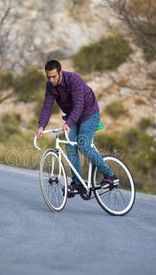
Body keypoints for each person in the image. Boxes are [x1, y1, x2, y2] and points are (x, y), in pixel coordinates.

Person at [35, 60, 118, 196]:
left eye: (54, 76)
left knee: (83, 145)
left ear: (60, 73)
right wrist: (41, 126)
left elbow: (79, 105)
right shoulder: (50, 86)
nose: (51, 80)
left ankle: (110, 175)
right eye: (48, 77)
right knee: (69, 145)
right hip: (72, 116)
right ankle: (77, 183)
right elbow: (47, 106)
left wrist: (68, 123)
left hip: (89, 114)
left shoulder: (74, 80)